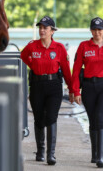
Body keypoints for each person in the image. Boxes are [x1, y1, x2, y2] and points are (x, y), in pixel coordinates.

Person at [20, 16, 74, 165]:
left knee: (51, 117)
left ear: (52, 31)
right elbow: (23, 56)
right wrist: (34, 66)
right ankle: (40, 151)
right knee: (38, 118)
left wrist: (72, 89)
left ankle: (51, 154)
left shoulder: (59, 48)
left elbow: (66, 70)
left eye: (45, 28)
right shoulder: (32, 46)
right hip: (37, 86)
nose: (42, 30)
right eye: (40, 28)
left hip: (54, 86)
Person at [71, 17, 103, 168]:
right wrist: (75, 90)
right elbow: (76, 69)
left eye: (100, 30)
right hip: (88, 87)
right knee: (93, 120)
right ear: (91, 31)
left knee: (101, 118)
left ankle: (101, 156)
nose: (97, 32)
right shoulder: (83, 47)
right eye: (94, 29)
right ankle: (94, 154)